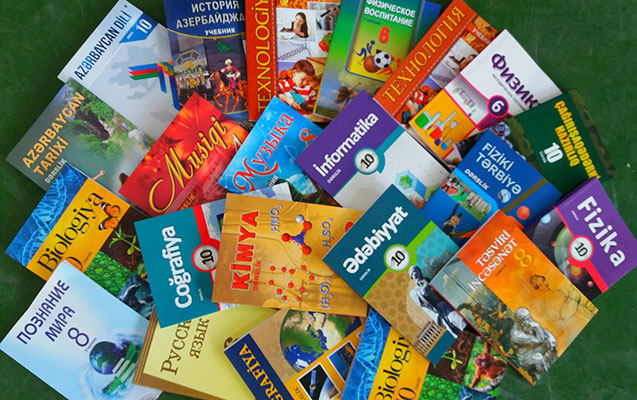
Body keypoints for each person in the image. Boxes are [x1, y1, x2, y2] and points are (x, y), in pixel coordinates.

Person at [408, 266, 464, 336]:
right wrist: (425, 283)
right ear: (412, 277)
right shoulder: (414, 291)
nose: (416, 275)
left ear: (420, 272)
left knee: (460, 320)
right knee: (458, 324)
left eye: (417, 272)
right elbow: (424, 293)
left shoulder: (428, 280)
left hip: (446, 304)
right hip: (440, 312)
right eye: (413, 273)